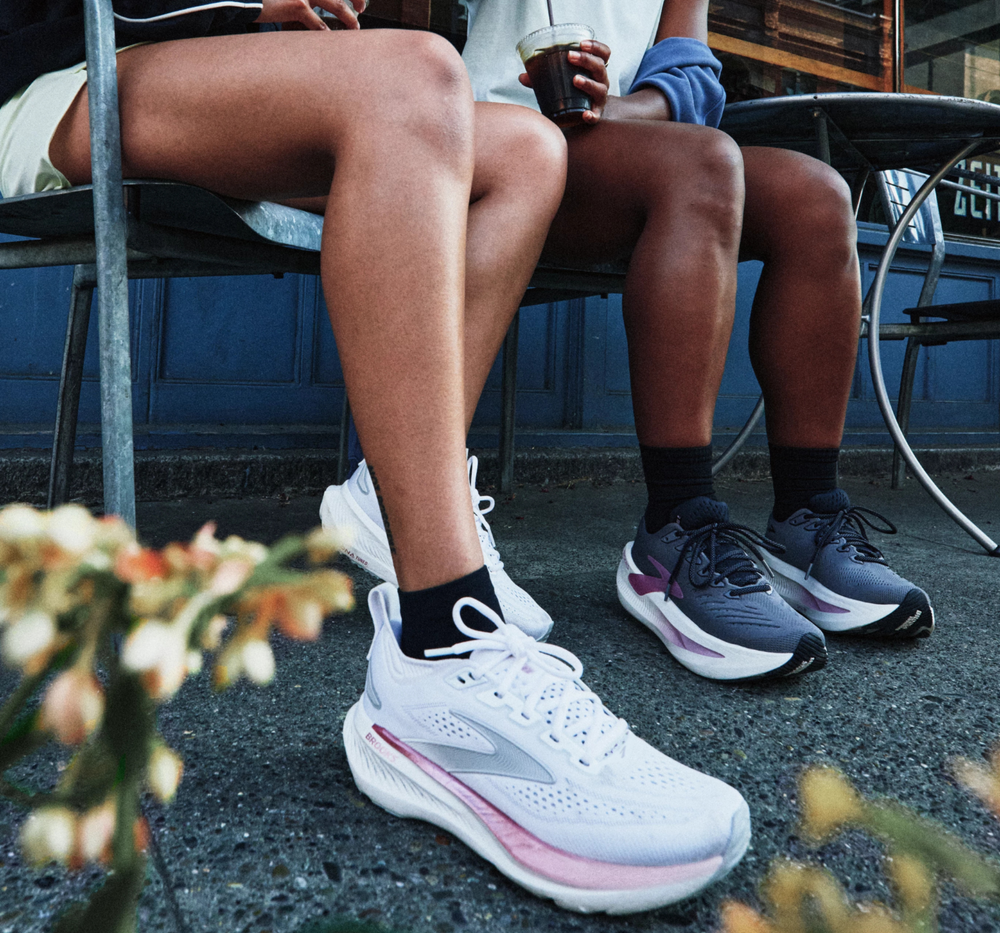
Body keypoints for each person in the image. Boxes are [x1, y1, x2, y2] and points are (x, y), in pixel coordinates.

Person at [0, 0, 751, 912]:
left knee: (525, 149)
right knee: (415, 80)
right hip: (59, 77)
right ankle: (445, 642)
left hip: (214, 81)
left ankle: (398, 503)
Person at [327, 0, 933, 682]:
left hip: (622, 144)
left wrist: (620, 107)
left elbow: (690, 69)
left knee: (817, 196)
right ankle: (676, 529)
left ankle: (808, 519)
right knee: (703, 163)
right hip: (491, 140)